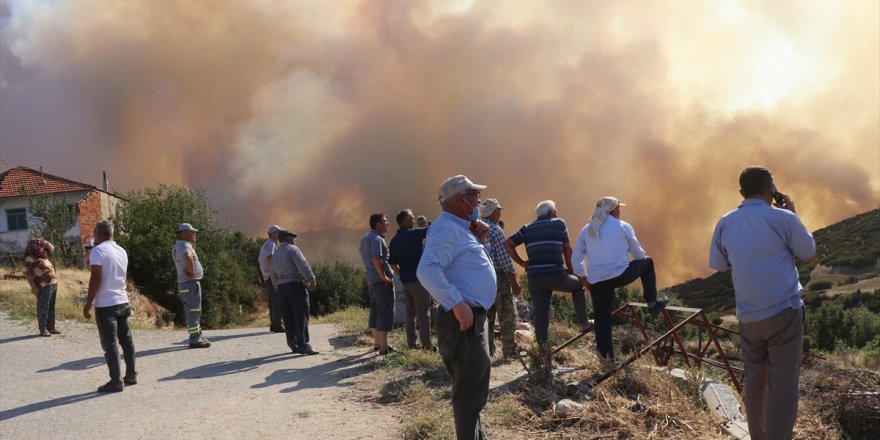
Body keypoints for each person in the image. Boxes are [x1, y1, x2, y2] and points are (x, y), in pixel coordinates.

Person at [709, 166, 816, 440]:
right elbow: (808, 253)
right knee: (782, 385)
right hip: (784, 313)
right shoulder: (782, 218)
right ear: (771, 189)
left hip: (748, 317)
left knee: (755, 382)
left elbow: (718, 264)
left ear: (741, 192)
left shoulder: (725, 221)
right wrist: (792, 212)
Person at [417, 174, 496, 440]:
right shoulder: (447, 228)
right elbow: (426, 270)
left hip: (470, 318)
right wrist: (456, 303)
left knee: (471, 389)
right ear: (461, 201)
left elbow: (464, 267)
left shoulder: (462, 229)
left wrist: (481, 241)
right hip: (463, 319)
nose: (479, 200)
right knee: (468, 394)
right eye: (475, 195)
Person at [571, 196, 669, 368]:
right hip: (620, 275)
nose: (620, 211)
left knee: (602, 320)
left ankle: (607, 362)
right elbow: (638, 255)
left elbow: (576, 259)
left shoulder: (587, 230)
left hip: (597, 282)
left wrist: (584, 278)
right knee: (648, 262)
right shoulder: (623, 226)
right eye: (618, 208)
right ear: (612, 210)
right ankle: (652, 303)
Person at [503, 200, 592, 348]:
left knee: (541, 316)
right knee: (577, 287)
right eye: (555, 212)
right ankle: (584, 323)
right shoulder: (559, 224)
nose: (557, 214)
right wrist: (571, 271)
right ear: (551, 213)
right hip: (555, 274)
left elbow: (507, 244)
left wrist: (522, 263)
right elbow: (567, 250)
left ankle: (543, 352)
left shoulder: (527, 228)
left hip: (534, 278)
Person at [82, 221, 137, 393]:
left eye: (94, 232)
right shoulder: (121, 250)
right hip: (122, 300)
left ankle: (115, 381)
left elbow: (95, 278)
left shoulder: (97, 251)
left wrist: (88, 303)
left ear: (99, 233)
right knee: (126, 340)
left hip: (106, 304)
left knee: (110, 343)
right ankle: (131, 375)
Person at [480, 198, 522, 358]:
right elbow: (505, 260)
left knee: (487, 316)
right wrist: (514, 282)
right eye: (498, 211)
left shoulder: (474, 227)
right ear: (492, 213)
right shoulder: (495, 230)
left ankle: (487, 351)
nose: (500, 214)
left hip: (482, 277)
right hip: (498, 276)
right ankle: (510, 351)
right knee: (506, 315)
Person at [389, 209, 434, 351]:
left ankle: (412, 345)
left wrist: (402, 274)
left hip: (406, 281)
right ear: (407, 220)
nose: (414, 221)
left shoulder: (394, 241)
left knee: (410, 314)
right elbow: (430, 230)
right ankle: (427, 346)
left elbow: (392, 264)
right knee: (423, 312)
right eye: (412, 218)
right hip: (419, 280)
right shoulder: (413, 234)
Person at [272, 229, 319, 355]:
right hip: (295, 286)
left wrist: (278, 287)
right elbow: (302, 264)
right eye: (292, 238)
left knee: (288, 317)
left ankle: (292, 344)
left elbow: (272, 274)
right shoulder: (293, 250)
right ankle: (303, 344)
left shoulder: (276, 253)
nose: (294, 241)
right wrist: (311, 278)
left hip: (281, 288)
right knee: (301, 315)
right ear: (287, 238)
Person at [359, 213, 395, 355]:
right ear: (378, 224)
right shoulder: (377, 239)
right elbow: (376, 258)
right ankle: (385, 347)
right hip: (381, 283)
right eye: (385, 221)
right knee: (385, 311)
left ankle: (377, 343)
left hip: (371, 282)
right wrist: (384, 276)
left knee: (375, 312)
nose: (388, 223)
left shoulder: (364, 239)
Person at [172, 223, 210, 348]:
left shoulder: (178, 245)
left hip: (184, 285)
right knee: (194, 311)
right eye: (192, 232)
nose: (194, 234)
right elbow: (187, 256)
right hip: (190, 284)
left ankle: (197, 335)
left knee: (191, 312)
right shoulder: (184, 246)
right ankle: (195, 339)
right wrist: (191, 269)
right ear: (185, 233)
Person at [23, 238, 59, 337]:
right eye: (39, 245)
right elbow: (27, 274)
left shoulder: (43, 254)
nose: (41, 246)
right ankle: (43, 329)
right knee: (43, 307)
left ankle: (51, 327)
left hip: (52, 284)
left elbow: (52, 248)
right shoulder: (29, 258)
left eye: (41, 245)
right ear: (33, 246)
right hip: (42, 286)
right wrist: (33, 287)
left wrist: (45, 242)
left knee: (51, 307)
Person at [258, 225, 285, 333]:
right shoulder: (271, 244)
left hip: (267, 276)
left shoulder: (266, 244)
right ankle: (278, 326)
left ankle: (274, 325)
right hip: (271, 276)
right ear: (272, 233)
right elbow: (270, 259)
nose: (279, 234)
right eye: (278, 232)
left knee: (272, 301)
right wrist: (276, 273)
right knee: (277, 301)